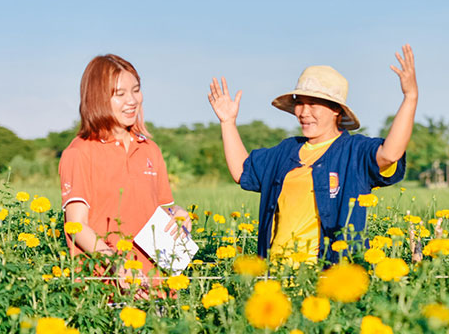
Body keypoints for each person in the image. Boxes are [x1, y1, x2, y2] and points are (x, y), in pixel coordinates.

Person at [208, 45, 416, 264]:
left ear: (336, 109)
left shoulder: (354, 152)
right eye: (300, 103)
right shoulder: (285, 151)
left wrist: (410, 97)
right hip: (276, 277)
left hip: (327, 279)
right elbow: (242, 171)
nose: (303, 112)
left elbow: (390, 154)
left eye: (313, 104)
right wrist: (228, 122)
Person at [59, 54, 190, 293]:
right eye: (120, 94)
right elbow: (76, 224)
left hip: (156, 288)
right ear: (98, 98)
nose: (132, 100)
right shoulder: (80, 152)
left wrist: (179, 215)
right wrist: (118, 265)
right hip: (105, 291)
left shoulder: (150, 149)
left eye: (136, 90)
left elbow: (161, 209)